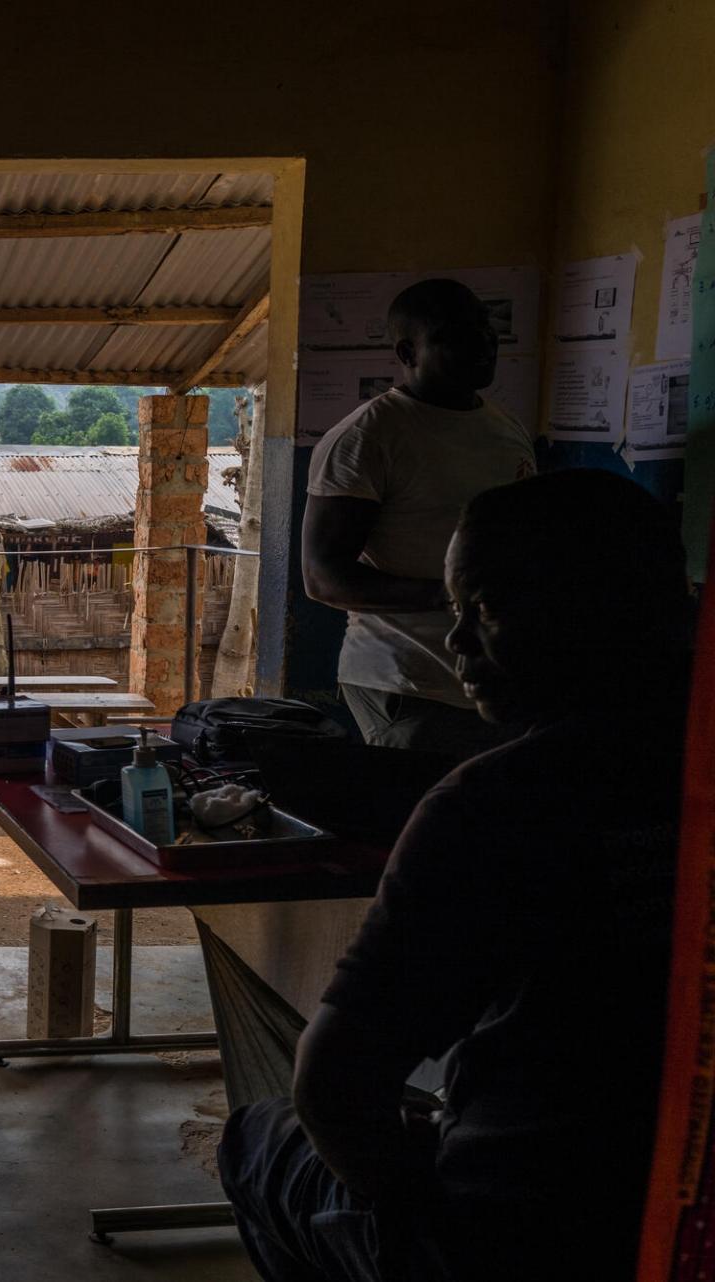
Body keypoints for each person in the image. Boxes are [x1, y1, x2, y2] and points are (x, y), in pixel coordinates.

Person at [219, 469, 694, 1282]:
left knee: (255, 1140)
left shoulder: (504, 804)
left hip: (528, 1230)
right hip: (683, 1213)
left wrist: (418, 1221)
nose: (457, 641)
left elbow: (333, 1090)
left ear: (596, 606)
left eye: (488, 608)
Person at [302, 278, 536, 759]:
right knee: (420, 812)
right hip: (405, 677)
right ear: (408, 352)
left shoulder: (505, 427)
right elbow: (323, 578)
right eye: (458, 334)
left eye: (487, 329)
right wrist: (452, 598)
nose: (485, 343)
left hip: (491, 674)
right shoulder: (369, 437)